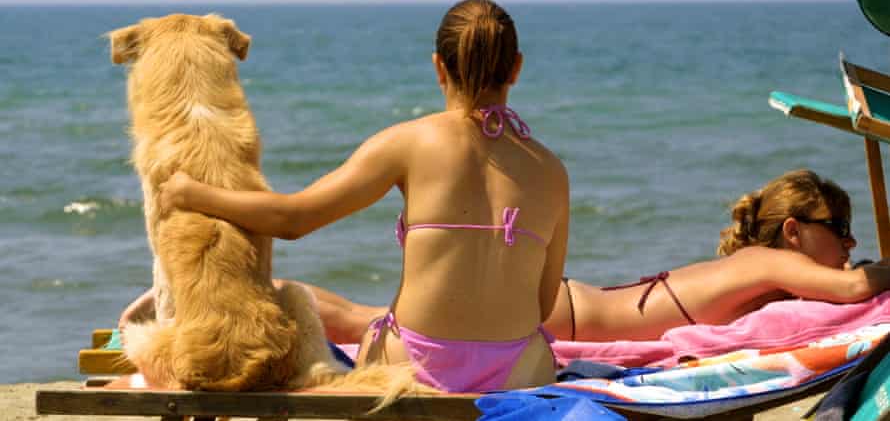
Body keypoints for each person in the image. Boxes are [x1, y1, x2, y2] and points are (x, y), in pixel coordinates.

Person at [126, 0, 570, 393]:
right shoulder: (551, 170)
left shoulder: (409, 142)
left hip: (415, 367)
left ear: (438, 66)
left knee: (353, 330)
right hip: (518, 370)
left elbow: (294, 220)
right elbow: (543, 303)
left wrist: (193, 193)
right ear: (516, 67)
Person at [125, 169, 890, 345]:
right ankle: (211, 293)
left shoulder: (752, 272)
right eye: (841, 227)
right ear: (794, 231)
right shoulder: (772, 266)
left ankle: (212, 292)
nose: (849, 245)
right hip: (563, 315)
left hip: (564, 304)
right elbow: (854, 286)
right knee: (369, 326)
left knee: (374, 326)